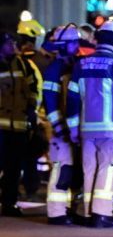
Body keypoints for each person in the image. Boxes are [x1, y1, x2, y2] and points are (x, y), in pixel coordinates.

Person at [66, 20, 113, 228]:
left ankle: (89, 212)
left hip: (86, 130)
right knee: (107, 170)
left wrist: (72, 127)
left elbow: (71, 99)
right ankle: (102, 214)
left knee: (89, 171)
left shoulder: (81, 63)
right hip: (112, 129)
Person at [42, 24, 81, 225]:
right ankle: (56, 213)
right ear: (63, 45)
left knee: (73, 171)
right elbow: (50, 101)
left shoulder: (74, 64)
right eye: (73, 42)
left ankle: (71, 208)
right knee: (62, 169)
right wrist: (59, 127)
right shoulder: (54, 69)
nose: (76, 46)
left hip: (72, 128)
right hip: (61, 131)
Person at [0, 32, 40, 217]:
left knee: (14, 168)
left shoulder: (23, 64)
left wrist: (31, 108)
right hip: (1, 126)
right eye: (9, 43)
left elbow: (33, 88)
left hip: (19, 126)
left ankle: (9, 204)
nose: (13, 46)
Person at [16, 19, 49, 202]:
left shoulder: (14, 61)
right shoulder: (42, 61)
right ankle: (31, 188)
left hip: (13, 116)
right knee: (30, 155)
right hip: (37, 116)